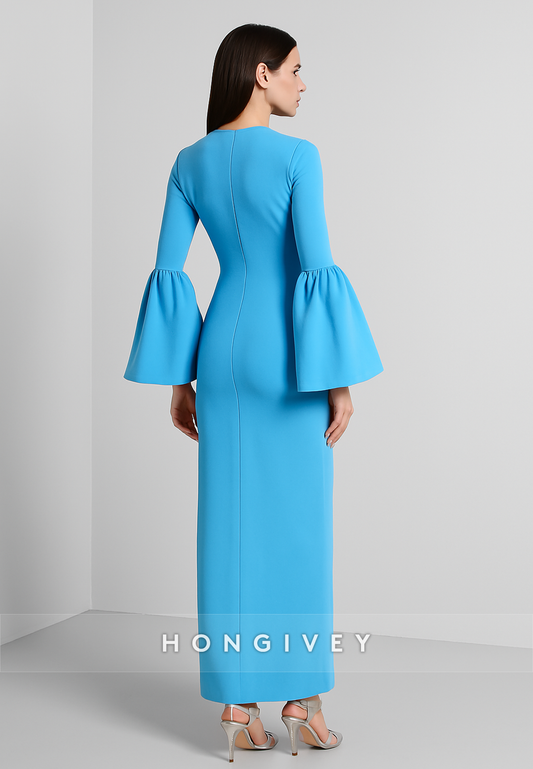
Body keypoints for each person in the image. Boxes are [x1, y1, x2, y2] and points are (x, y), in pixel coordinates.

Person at [124, 23, 383, 762]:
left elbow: (171, 268)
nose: (304, 83)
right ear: (261, 74)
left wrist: (181, 380)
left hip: (221, 351)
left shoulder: (189, 161)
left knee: (229, 525)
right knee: (300, 525)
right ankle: (303, 702)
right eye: (296, 69)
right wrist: (337, 381)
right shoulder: (298, 156)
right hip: (286, 355)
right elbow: (315, 265)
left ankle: (237, 708)